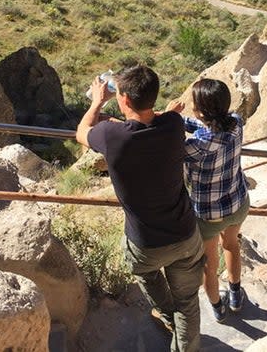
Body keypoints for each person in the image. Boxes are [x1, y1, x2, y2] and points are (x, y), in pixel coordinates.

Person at [76, 65, 205, 352]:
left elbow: (81, 132)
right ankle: (184, 339)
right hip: (185, 234)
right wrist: (165, 112)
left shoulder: (111, 136)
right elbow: (160, 119)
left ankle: (169, 315)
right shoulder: (173, 124)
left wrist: (97, 101)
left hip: (145, 244)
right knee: (189, 302)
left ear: (123, 99)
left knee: (147, 275)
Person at [167, 79, 249, 323]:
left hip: (209, 214)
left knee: (208, 265)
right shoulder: (236, 123)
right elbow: (206, 125)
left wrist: (169, 119)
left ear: (201, 109)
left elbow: (174, 144)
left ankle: (218, 308)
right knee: (232, 245)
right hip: (238, 201)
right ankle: (235, 295)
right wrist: (181, 120)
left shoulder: (197, 146)